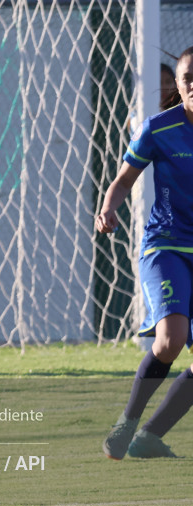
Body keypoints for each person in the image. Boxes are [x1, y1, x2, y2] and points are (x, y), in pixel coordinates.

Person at [98, 46, 193, 460]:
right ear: (178, 84)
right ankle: (128, 424)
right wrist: (107, 208)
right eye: (189, 78)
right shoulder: (159, 128)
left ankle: (149, 438)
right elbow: (122, 181)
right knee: (171, 339)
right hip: (167, 245)